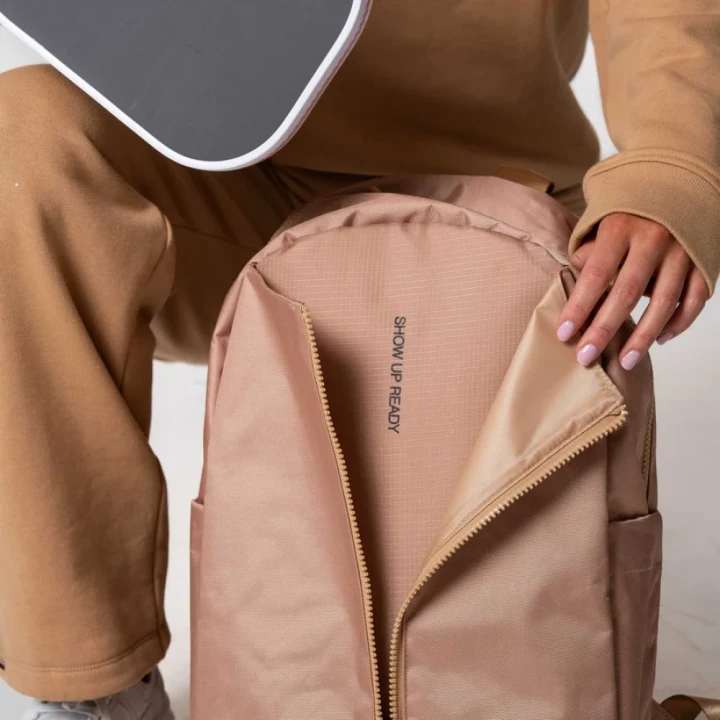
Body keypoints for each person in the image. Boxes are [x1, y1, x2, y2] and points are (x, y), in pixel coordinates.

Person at [1, 1, 718, 718]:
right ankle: (93, 683)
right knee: (26, 137)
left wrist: (670, 167)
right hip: (246, 192)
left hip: (505, 191)